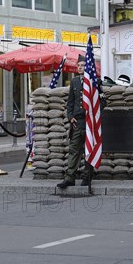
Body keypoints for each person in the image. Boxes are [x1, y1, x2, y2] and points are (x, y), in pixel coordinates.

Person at [57, 55, 91, 189]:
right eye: (78, 66)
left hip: (89, 122)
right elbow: (70, 102)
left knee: (88, 150)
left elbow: (102, 101)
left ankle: (87, 176)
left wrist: (94, 115)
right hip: (77, 122)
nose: (80, 68)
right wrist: (70, 116)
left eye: (82, 65)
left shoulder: (94, 81)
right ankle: (69, 177)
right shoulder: (75, 82)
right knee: (74, 149)